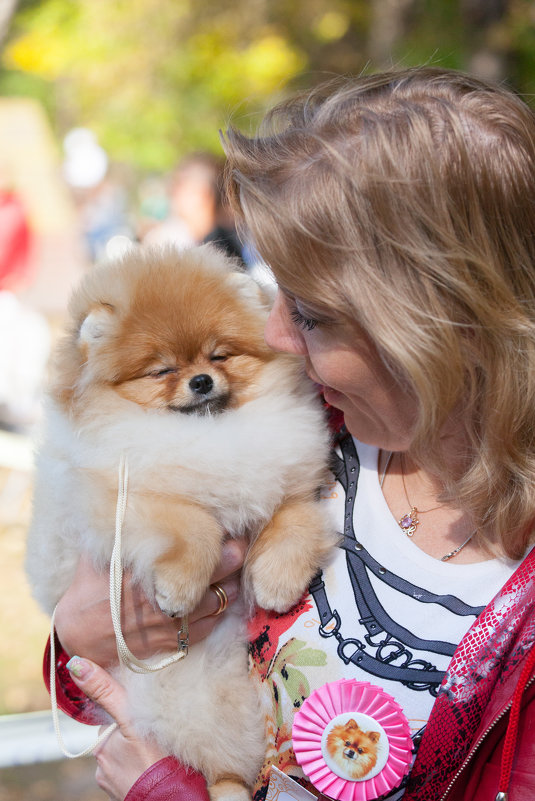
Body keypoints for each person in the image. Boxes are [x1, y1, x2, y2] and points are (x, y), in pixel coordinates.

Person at [45, 67, 535, 801]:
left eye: (310, 314)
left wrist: (167, 790)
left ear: (439, 322)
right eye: (275, 295)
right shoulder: (315, 436)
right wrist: (84, 637)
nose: (272, 335)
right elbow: (108, 653)